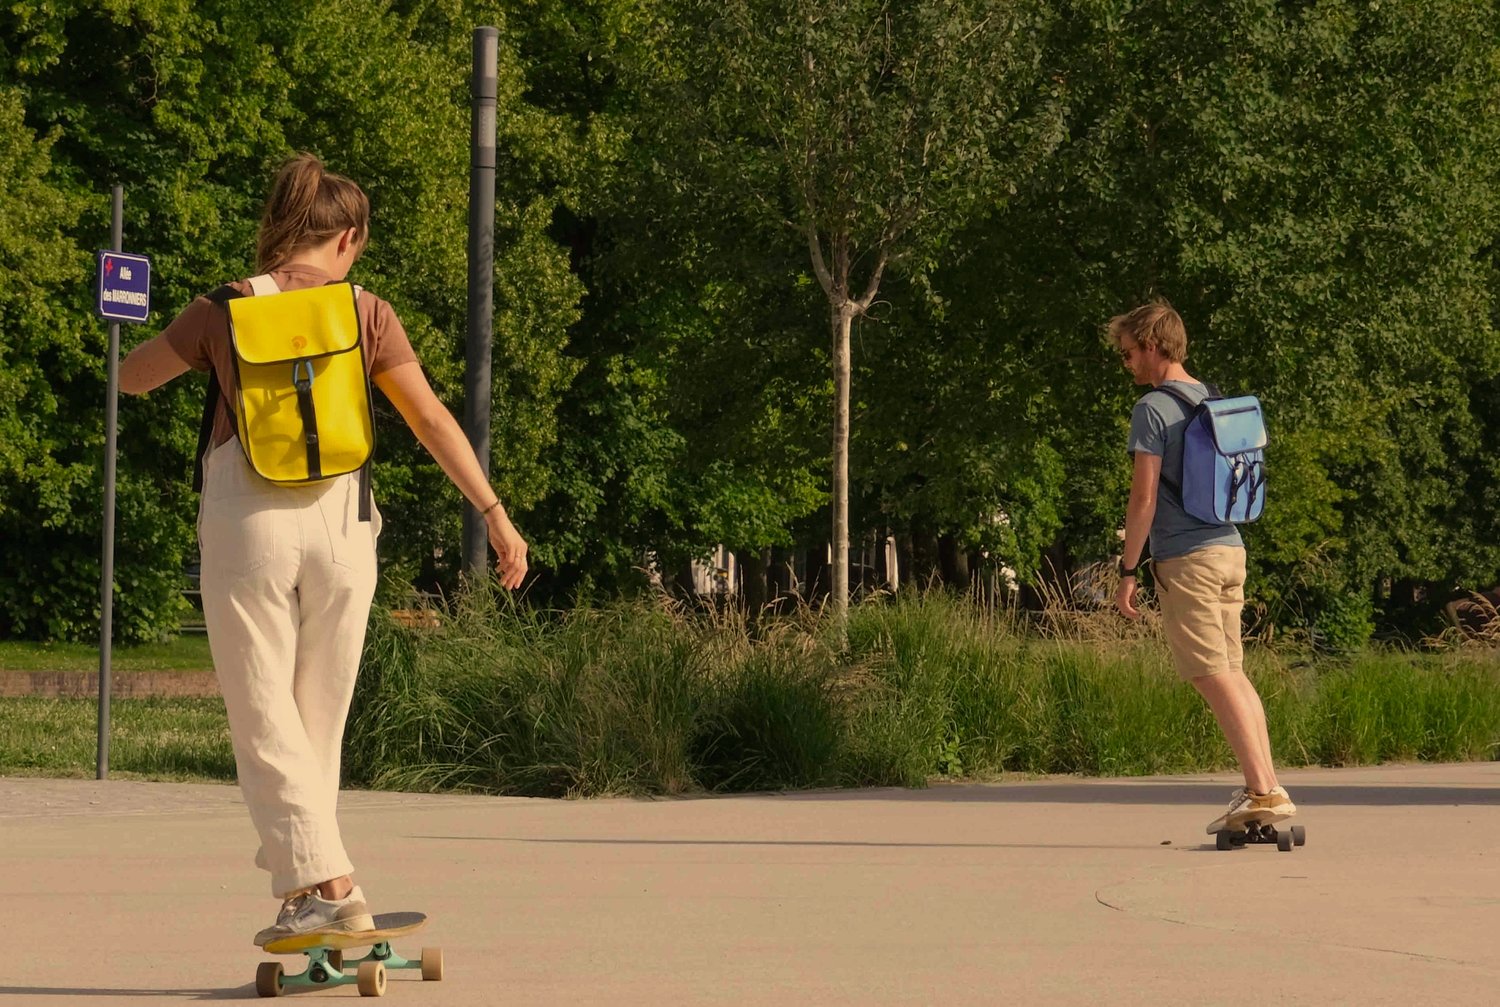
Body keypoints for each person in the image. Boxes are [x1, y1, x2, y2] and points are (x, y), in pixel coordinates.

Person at [120, 153, 529, 945]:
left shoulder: (225, 308)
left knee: (264, 715)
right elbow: (433, 420)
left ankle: (333, 886)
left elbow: (137, 379)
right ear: (346, 238)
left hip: (251, 524)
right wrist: (495, 512)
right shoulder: (367, 311)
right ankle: (307, 893)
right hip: (344, 524)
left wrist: (151, 348)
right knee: (316, 722)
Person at [1108, 299, 1295, 835]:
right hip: (1230, 548)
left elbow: (1143, 498)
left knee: (1209, 673)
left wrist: (1127, 571)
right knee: (1232, 671)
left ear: (1150, 345)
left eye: (1127, 353)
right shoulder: (1210, 398)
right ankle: (1263, 785)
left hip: (1187, 558)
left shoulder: (1153, 408)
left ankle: (1265, 790)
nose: (1126, 365)